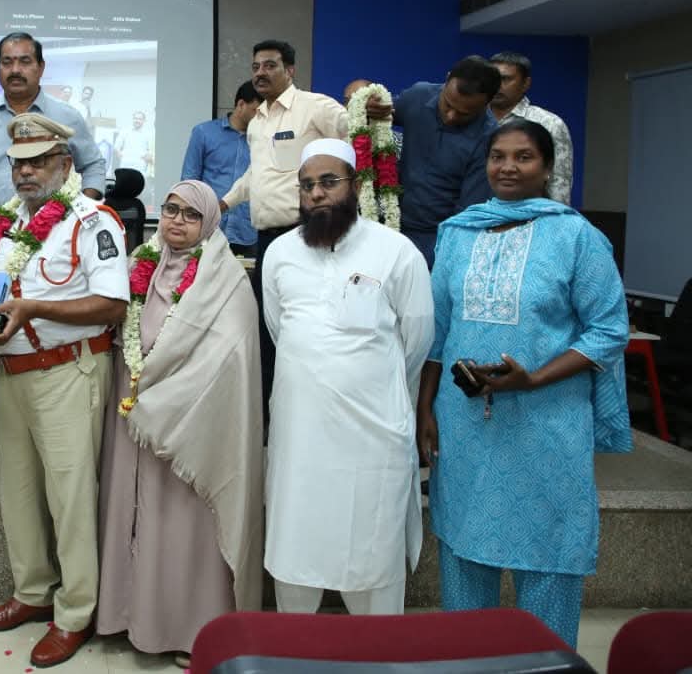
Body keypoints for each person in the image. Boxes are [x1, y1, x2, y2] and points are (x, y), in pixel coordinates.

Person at [418, 119, 630, 647]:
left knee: (549, 551)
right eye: (498, 156)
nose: (508, 167)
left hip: (548, 421)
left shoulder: (577, 237)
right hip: (465, 422)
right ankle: (469, 659)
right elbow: (437, 333)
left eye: (523, 157)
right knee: (464, 547)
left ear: (548, 167)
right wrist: (425, 409)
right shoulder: (458, 233)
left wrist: (533, 379)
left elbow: (608, 329)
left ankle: (547, 660)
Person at [0, 113, 128, 668]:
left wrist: (34, 307)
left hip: (69, 372)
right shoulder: (6, 221)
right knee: (18, 494)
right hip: (11, 373)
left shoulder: (93, 221)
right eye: (18, 163)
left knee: (70, 499)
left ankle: (75, 613)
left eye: (38, 162)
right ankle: (33, 591)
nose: (26, 172)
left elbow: (112, 305)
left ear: (65, 164)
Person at [260, 138, 433, 616]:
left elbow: (417, 340)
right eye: (307, 185)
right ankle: (295, 650)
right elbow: (279, 330)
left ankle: (376, 651)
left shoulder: (396, 251)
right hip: (300, 435)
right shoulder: (279, 253)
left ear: (355, 185)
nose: (317, 193)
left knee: (372, 554)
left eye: (329, 182)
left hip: (372, 435)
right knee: (296, 545)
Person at [98, 180, 263, 668]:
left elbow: (230, 358)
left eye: (191, 214)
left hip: (188, 426)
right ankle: (126, 616)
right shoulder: (140, 263)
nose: (177, 221)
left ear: (209, 223)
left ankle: (190, 629)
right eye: (171, 209)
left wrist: (166, 399)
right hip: (132, 412)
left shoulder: (226, 279)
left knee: (179, 527)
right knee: (131, 513)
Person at [0, 32, 106, 469]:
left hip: (50, 247)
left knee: (38, 330)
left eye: (24, 61)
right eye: (7, 61)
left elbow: (94, 166)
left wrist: (74, 208)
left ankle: (39, 428)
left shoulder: (66, 116)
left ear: (40, 67)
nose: (15, 69)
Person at [220, 39, 382, 435]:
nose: (260, 73)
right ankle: (271, 420)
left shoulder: (315, 107)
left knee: (309, 327)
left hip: (311, 236)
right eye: (256, 66)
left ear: (290, 70)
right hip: (267, 241)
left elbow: (359, 134)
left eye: (270, 65)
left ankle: (318, 414)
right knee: (269, 329)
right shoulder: (256, 121)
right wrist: (223, 202)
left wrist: (371, 114)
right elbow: (256, 176)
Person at [392, 55, 499, 267]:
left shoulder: (490, 139)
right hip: (391, 225)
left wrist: (444, 256)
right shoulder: (418, 96)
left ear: (487, 103)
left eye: (464, 114)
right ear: (447, 78)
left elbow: (468, 213)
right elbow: (379, 112)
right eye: (447, 104)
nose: (451, 116)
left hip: (439, 239)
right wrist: (369, 102)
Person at [181, 80, 260, 256]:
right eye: (257, 111)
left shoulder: (262, 140)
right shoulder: (204, 132)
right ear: (241, 104)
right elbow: (189, 181)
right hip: (209, 228)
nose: (261, 117)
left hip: (248, 231)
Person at [488, 51, 573, 205]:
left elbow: (559, 182)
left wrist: (555, 216)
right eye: (492, 79)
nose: (497, 85)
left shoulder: (549, 123)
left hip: (531, 212)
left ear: (526, 83)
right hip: (476, 213)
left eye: (506, 79)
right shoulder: (472, 117)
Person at [116, 111, 153, 175]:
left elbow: (151, 150)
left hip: (140, 166)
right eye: (135, 118)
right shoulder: (124, 131)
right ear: (133, 119)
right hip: (125, 164)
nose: (137, 121)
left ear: (144, 121)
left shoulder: (148, 134)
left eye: (140, 119)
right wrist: (122, 156)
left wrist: (147, 157)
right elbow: (117, 147)